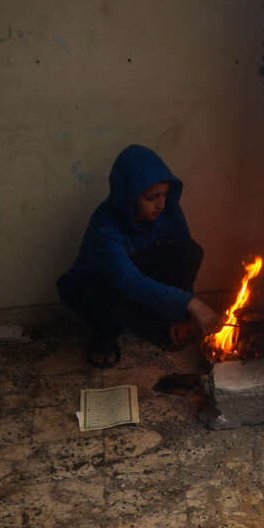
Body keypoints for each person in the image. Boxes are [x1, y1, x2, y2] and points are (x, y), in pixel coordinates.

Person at [57, 145, 220, 368]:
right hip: (98, 284)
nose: (161, 204)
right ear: (129, 197)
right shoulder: (104, 226)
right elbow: (129, 281)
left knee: (187, 251)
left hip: (138, 276)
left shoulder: (168, 210)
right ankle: (103, 335)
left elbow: (182, 257)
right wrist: (193, 305)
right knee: (104, 294)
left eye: (164, 194)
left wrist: (182, 316)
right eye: (152, 197)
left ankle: (161, 317)